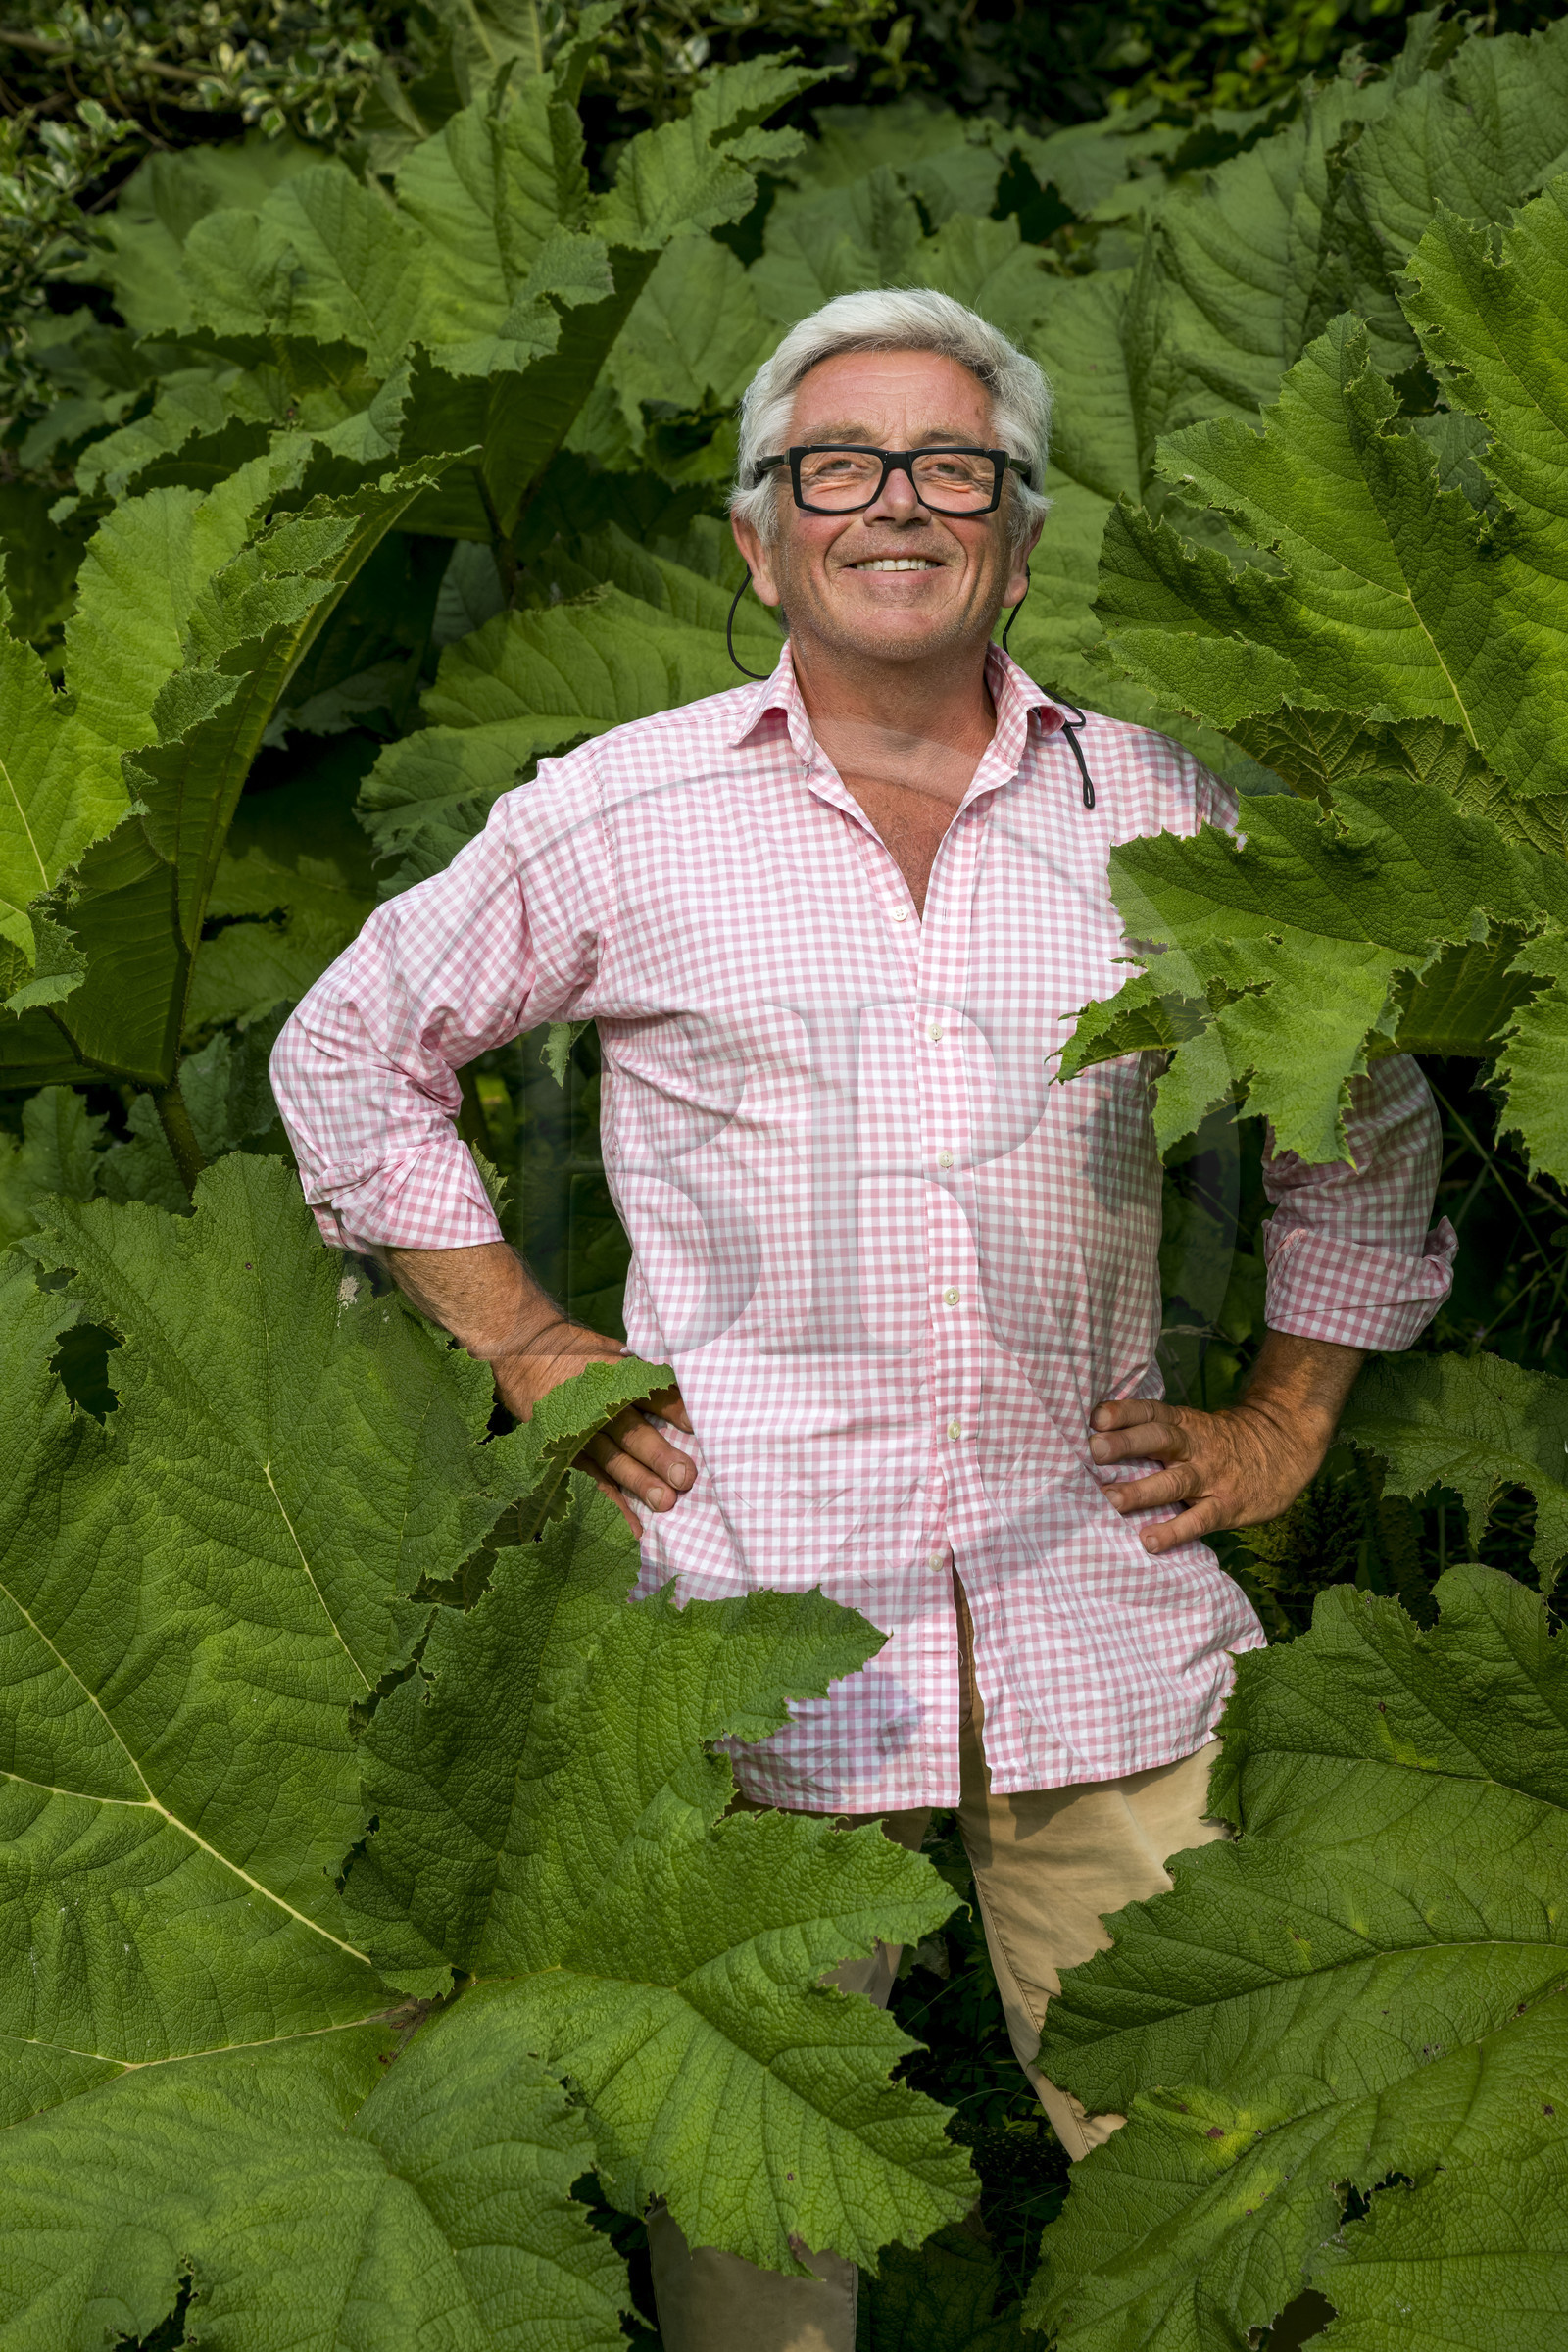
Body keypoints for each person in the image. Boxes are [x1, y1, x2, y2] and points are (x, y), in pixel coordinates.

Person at [270, 289, 1454, 2352]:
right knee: (750, 2258)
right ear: (759, 540)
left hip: (1093, 1609)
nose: (892, 503)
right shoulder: (619, 811)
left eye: (949, 467)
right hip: (747, 1623)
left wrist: (1283, 1419)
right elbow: (351, 1049)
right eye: (838, 464)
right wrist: (531, 1346)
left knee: (1223, 2211)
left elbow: (1357, 1107)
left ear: (1010, 532)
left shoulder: (1162, 815)